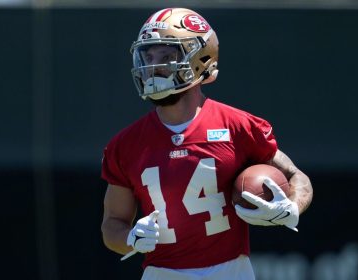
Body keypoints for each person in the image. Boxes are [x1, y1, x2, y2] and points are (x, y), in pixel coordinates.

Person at [101, 7, 313, 280]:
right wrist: (131, 238)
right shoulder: (125, 145)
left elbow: (296, 176)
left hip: (231, 272)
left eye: (167, 56)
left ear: (201, 59)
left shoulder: (236, 126)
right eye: (148, 56)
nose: (153, 66)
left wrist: (291, 208)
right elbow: (111, 225)